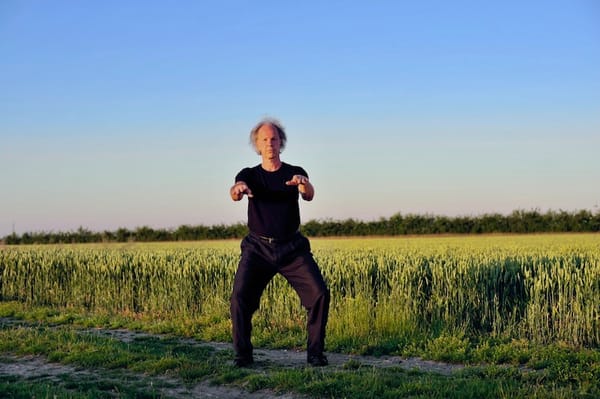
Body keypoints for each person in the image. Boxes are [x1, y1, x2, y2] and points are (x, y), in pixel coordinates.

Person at [229, 117, 330, 367]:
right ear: (258, 145)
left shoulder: (294, 172)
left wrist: (303, 185)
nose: (270, 143)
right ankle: (243, 356)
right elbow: (234, 192)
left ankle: (315, 354)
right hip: (258, 248)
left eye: (274, 138)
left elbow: (309, 195)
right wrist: (238, 189)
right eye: (265, 139)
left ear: (280, 142)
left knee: (319, 294)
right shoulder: (248, 174)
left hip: (292, 248)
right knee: (239, 298)